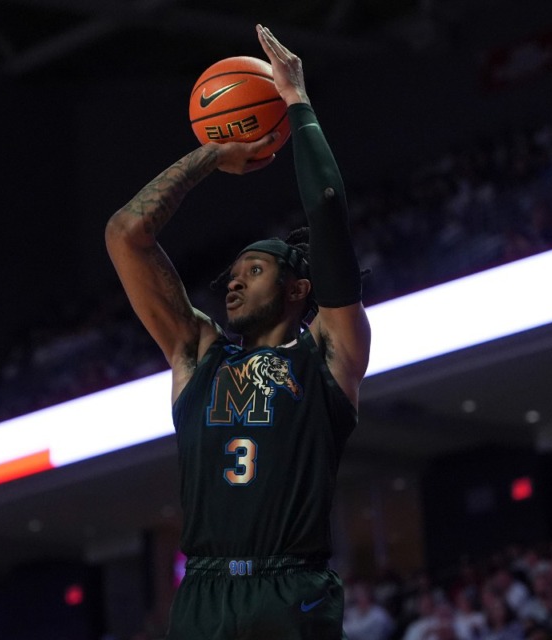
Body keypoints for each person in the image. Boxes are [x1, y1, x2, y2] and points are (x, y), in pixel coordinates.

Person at [105, 24, 370, 640]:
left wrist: (296, 99)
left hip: (290, 589)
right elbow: (125, 234)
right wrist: (211, 156)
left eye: (254, 271)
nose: (232, 283)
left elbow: (327, 207)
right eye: (232, 273)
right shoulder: (196, 353)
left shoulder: (329, 354)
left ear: (298, 289)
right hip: (202, 593)